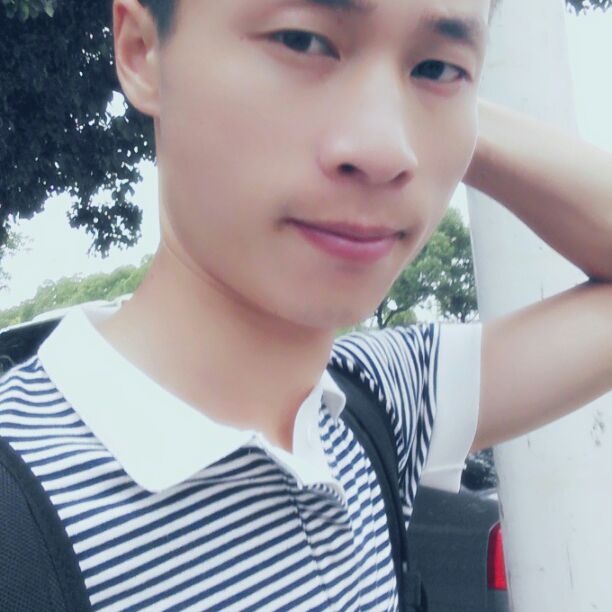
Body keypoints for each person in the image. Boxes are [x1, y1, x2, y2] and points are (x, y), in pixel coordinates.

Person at [1, 0, 611, 608]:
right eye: (302, 40)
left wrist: (454, 109)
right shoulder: (20, 506)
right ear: (142, 50)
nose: (386, 151)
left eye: (436, 68)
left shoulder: (377, 405)